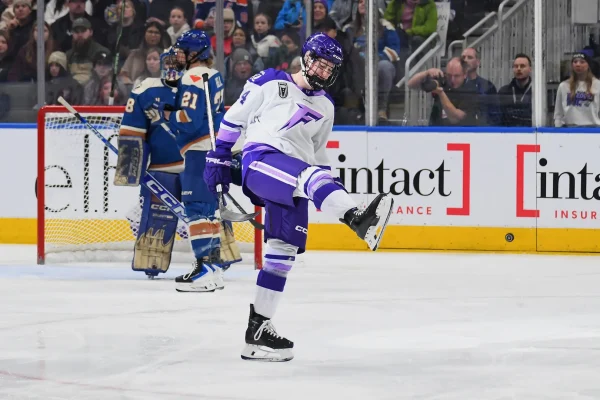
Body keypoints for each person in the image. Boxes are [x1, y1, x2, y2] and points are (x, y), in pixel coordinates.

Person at [203, 32, 394, 362]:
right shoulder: (269, 81)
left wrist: (328, 186)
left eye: (330, 68)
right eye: (320, 64)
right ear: (306, 59)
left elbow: (317, 155)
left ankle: (258, 330)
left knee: (282, 253)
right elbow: (235, 118)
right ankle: (357, 220)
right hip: (261, 160)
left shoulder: (326, 106)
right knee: (309, 178)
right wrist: (220, 154)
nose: (324, 72)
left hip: (297, 176)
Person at [144, 30, 237, 292]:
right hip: (215, 148)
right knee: (208, 211)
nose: (179, 55)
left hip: (200, 150)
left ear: (195, 53)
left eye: (183, 51)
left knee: (196, 209)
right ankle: (213, 268)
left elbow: (190, 119)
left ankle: (204, 269)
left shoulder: (192, 77)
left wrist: (167, 116)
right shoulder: (214, 75)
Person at [113, 48, 186, 278]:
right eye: (168, 62)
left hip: (196, 167)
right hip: (162, 169)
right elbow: (132, 131)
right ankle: (152, 261)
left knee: (209, 215)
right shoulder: (145, 90)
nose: (172, 68)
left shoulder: (199, 88)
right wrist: (131, 166)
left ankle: (215, 258)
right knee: (157, 219)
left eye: (177, 63)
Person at [554, 52, 600, 127]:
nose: (578, 64)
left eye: (582, 62)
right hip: (570, 128)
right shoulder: (563, 86)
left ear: (588, 65)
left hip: (593, 128)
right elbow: (558, 114)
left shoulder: (597, 85)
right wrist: (558, 129)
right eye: (575, 62)